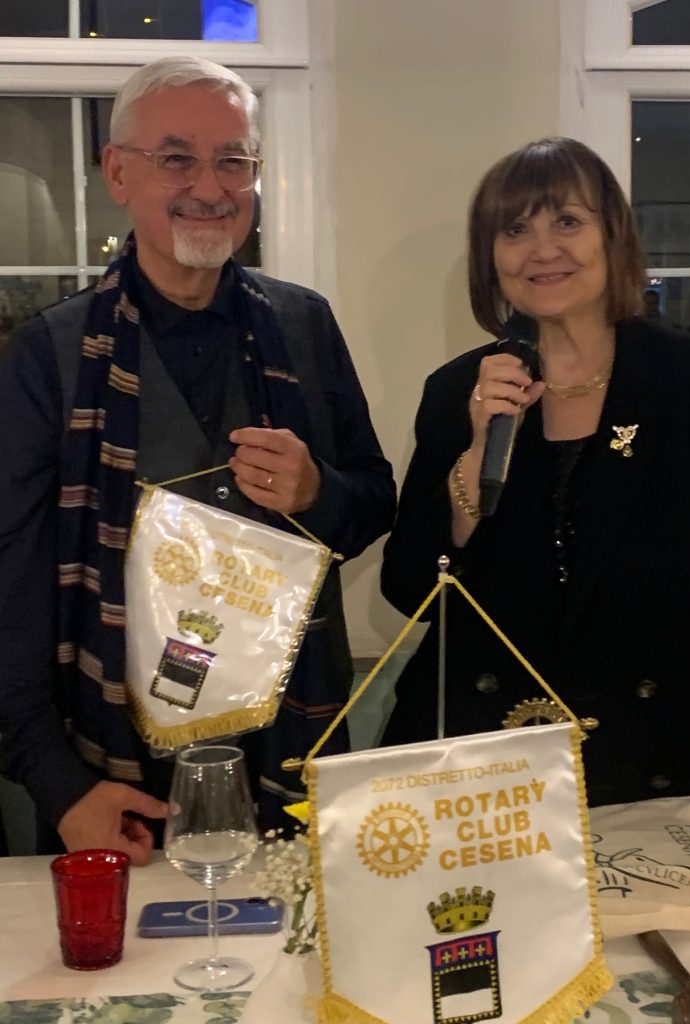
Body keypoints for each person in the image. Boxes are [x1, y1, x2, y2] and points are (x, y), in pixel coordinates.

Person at [0, 56, 395, 863]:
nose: (211, 188)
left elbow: (374, 503)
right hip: (115, 776)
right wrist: (59, 786)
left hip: (289, 751)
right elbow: (10, 585)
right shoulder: (49, 354)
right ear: (118, 172)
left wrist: (317, 493)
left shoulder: (306, 325)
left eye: (234, 161)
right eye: (177, 158)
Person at [381, 138, 690, 826]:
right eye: (516, 230)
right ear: (491, 257)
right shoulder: (458, 391)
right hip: (491, 771)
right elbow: (409, 590)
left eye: (568, 222)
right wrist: (477, 454)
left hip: (667, 755)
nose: (542, 249)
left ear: (612, 237)